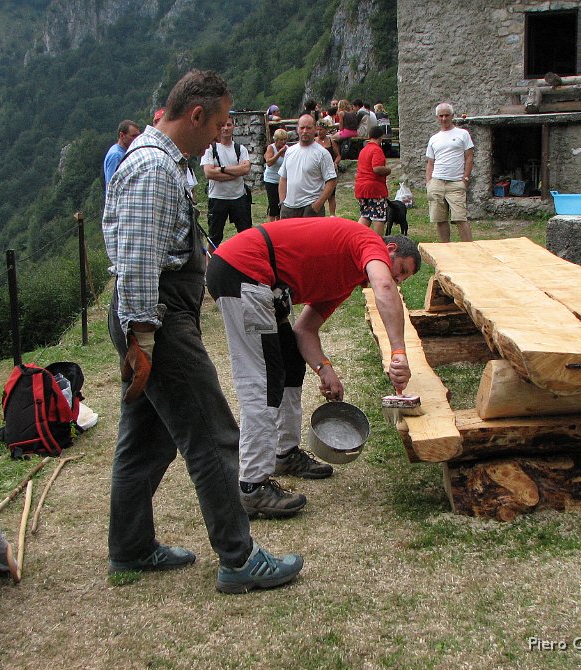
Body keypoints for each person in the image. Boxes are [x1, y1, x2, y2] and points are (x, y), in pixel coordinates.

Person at [102, 68, 302, 592]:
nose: (220, 133)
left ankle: (131, 548)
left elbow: (172, 244)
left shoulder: (163, 162)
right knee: (213, 436)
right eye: (217, 123)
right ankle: (239, 559)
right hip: (157, 321)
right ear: (195, 115)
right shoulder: (152, 168)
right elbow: (140, 260)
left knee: (146, 440)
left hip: (154, 317)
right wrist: (143, 341)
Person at [205, 218, 421, 518]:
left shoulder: (344, 281)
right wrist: (399, 352)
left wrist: (324, 369)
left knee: (291, 363)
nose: (397, 281)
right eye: (401, 272)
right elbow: (384, 285)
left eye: (403, 280)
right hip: (243, 270)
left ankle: (284, 454)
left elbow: (305, 330)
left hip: (262, 282)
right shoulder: (368, 241)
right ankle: (252, 487)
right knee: (263, 381)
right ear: (390, 249)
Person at [425, 102, 474, 243]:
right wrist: (429, 183)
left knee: (460, 218)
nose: (444, 118)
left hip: (456, 183)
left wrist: (465, 178)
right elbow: (430, 162)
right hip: (437, 182)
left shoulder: (463, 134)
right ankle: (446, 248)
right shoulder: (434, 138)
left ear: (452, 116)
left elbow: (469, 156)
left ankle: (469, 249)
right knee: (440, 219)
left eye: (447, 115)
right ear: (437, 118)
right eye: (441, 116)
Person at [202, 116, 253, 248]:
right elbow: (208, 173)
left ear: (234, 126)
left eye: (229, 125)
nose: (226, 128)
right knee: (214, 237)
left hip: (238, 197)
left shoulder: (240, 149)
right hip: (217, 198)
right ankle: (210, 266)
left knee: (246, 234)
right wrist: (235, 173)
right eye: (223, 125)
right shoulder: (209, 149)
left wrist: (221, 169)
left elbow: (246, 169)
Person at [278, 114, 337, 219]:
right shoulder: (290, 151)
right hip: (288, 208)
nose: (305, 131)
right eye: (302, 127)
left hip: (310, 208)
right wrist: (282, 202)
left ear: (315, 129)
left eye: (308, 128)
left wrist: (317, 205)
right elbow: (283, 178)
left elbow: (331, 181)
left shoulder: (322, 154)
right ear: (297, 129)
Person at [355, 126, 392, 234]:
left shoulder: (364, 150)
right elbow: (376, 168)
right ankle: (378, 243)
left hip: (361, 188)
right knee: (378, 217)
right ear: (381, 137)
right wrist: (388, 170)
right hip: (374, 189)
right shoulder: (376, 149)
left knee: (366, 215)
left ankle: (356, 238)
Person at [102, 120, 140, 192]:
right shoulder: (116, 155)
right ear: (122, 135)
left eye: (138, 136)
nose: (137, 139)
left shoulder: (124, 151)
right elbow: (112, 185)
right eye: (133, 136)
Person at [315, 117, 341, 216]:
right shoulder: (314, 141)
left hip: (329, 170)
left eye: (321, 129)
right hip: (317, 171)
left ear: (326, 130)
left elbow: (338, 156)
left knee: (331, 194)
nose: (319, 131)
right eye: (317, 129)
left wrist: (335, 163)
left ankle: (332, 215)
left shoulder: (331, 141)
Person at [263, 128, 288, 222]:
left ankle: (279, 223)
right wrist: (279, 153)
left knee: (281, 204)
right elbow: (269, 162)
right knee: (273, 205)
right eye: (281, 139)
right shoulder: (271, 148)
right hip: (271, 180)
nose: (283, 141)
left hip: (282, 181)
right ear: (276, 140)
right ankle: (271, 224)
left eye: (285, 139)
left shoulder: (287, 149)